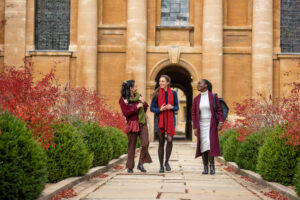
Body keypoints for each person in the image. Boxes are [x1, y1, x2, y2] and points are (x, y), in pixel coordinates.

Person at [191, 79, 224, 175]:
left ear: (206, 85)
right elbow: (193, 113)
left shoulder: (213, 97)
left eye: (200, 83)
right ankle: (205, 167)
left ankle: (212, 166)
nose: (198, 85)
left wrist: (221, 122)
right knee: (203, 146)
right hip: (200, 124)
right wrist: (195, 127)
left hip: (211, 124)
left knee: (210, 145)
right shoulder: (196, 99)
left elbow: (219, 110)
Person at [119, 80, 152, 173]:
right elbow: (126, 113)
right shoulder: (123, 100)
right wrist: (136, 107)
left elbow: (144, 108)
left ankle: (140, 163)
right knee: (132, 146)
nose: (137, 88)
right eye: (135, 86)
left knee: (145, 143)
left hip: (142, 122)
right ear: (131, 88)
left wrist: (143, 102)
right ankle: (130, 167)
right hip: (132, 124)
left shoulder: (139, 96)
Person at [150, 75, 178, 173]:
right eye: (160, 81)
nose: (161, 83)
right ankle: (161, 165)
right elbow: (151, 108)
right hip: (160, 119)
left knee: (170, 140)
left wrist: (172, 107)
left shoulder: (174, 93)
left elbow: (177, 107)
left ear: (167, 82)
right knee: (161, 143)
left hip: (170, 119)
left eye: (163, 81)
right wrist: (160, 109)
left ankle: (167, 162)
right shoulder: (156, 94)